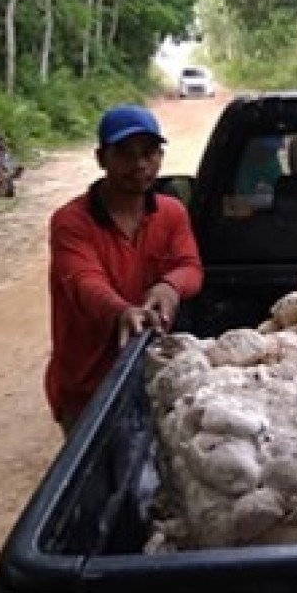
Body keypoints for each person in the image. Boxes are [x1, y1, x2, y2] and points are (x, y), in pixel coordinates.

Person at [44, 104, 204, 435]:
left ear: (160, 157)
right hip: (88, 388)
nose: (140, 164)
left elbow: (189, 266)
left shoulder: (171, 213)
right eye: (125, 154)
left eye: (149, 152)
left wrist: (170, 287)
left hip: (152, 379)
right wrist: (121, 311)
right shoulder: (71, 222)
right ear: (101, 158)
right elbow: (83, 281)